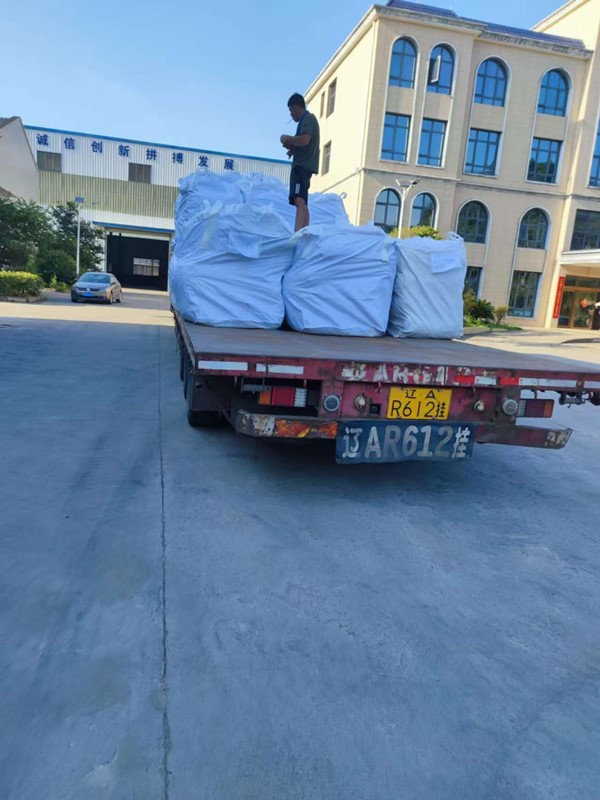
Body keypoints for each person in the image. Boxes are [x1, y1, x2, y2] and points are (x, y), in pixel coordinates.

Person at [280, 93, 320, 232]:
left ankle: (297, 233)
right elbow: (300, 143)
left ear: (297, 107)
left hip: (302, 166)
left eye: (291, 110)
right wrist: (291, 147)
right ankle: (304, 231)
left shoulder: (308, 119)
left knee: (299, 199)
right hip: (304, 165)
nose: (291, 114)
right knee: (302, 199)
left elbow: (304, 140)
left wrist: (288, 138)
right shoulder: (305, 121)